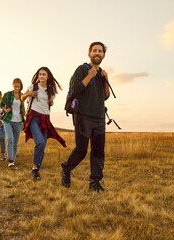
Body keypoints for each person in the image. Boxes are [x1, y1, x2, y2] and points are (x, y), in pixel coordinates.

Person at [61, 42, 111, 192]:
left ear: (103, 55)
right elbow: (76, 89)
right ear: (89, 53)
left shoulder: (102, 73)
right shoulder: (82, 69)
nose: (97, 53)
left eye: (100, 51)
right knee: (81, 150)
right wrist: (89, 76)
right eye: (94, 50)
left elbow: (106, 96)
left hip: (99, 117)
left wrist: (106, 79)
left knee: (98, 151)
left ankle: (94, 182)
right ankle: (66, 169)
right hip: (83, 116)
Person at [22, 67, 66, 180]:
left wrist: (51, 101)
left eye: (43, 74)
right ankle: (34, 169)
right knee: (40, 143)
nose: (41, 76)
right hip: (33, 117)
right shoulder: (33, 87)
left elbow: (50, 103)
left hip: (45, 118)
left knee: (43, 145)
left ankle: (37, 170)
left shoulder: (50, 90)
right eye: (39, 74)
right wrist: (29, 94)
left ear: (48, 77)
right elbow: (22, 98)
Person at [0, 78, 25, 169]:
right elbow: (1, 104)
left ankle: (12, 162)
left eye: (18, 87)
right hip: (8, 120)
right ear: (13, 85)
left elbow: (23, 107)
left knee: (15, 142)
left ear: (21, 87)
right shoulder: (8, 94)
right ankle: (10, 160)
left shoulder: (22, 95)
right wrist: (5, 110)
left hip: (18, 121)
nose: (17, 88)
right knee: (10, 138)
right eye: (15, 86)